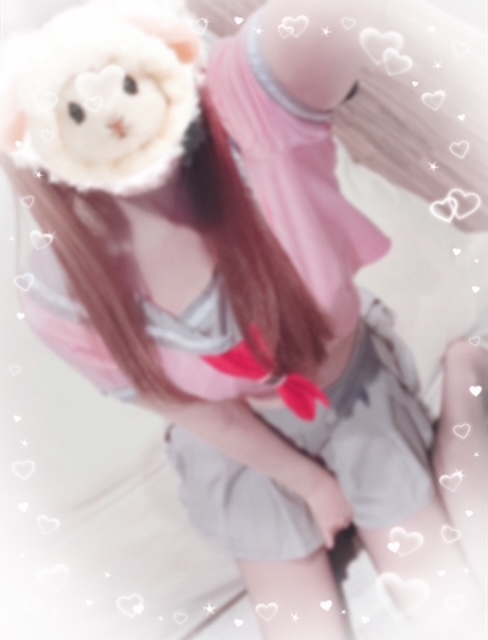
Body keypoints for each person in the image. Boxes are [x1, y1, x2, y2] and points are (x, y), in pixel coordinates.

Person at [1, 1, 485, 638]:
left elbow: (313, 29)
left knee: (449, 598)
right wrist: (309, 485)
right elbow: (195, 412)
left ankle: (465, 375)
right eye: (74, 107)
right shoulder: (64, 296)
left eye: (122, 77)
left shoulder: (252, 118)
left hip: (356, 397)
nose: (114, 118)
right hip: (240, 448)